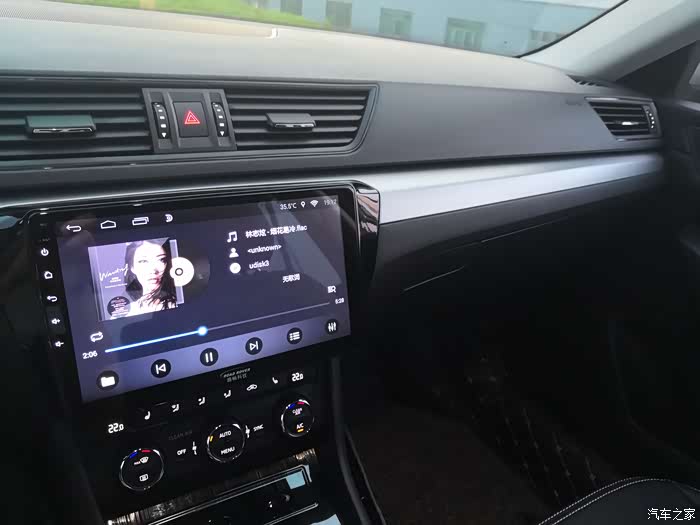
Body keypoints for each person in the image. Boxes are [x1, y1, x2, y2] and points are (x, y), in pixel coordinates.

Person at [124, 239, 177, 315]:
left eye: (161, 260)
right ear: (132, 267)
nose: (153, 270)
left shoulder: (176, 303)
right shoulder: (127, 312)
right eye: (143, 261)